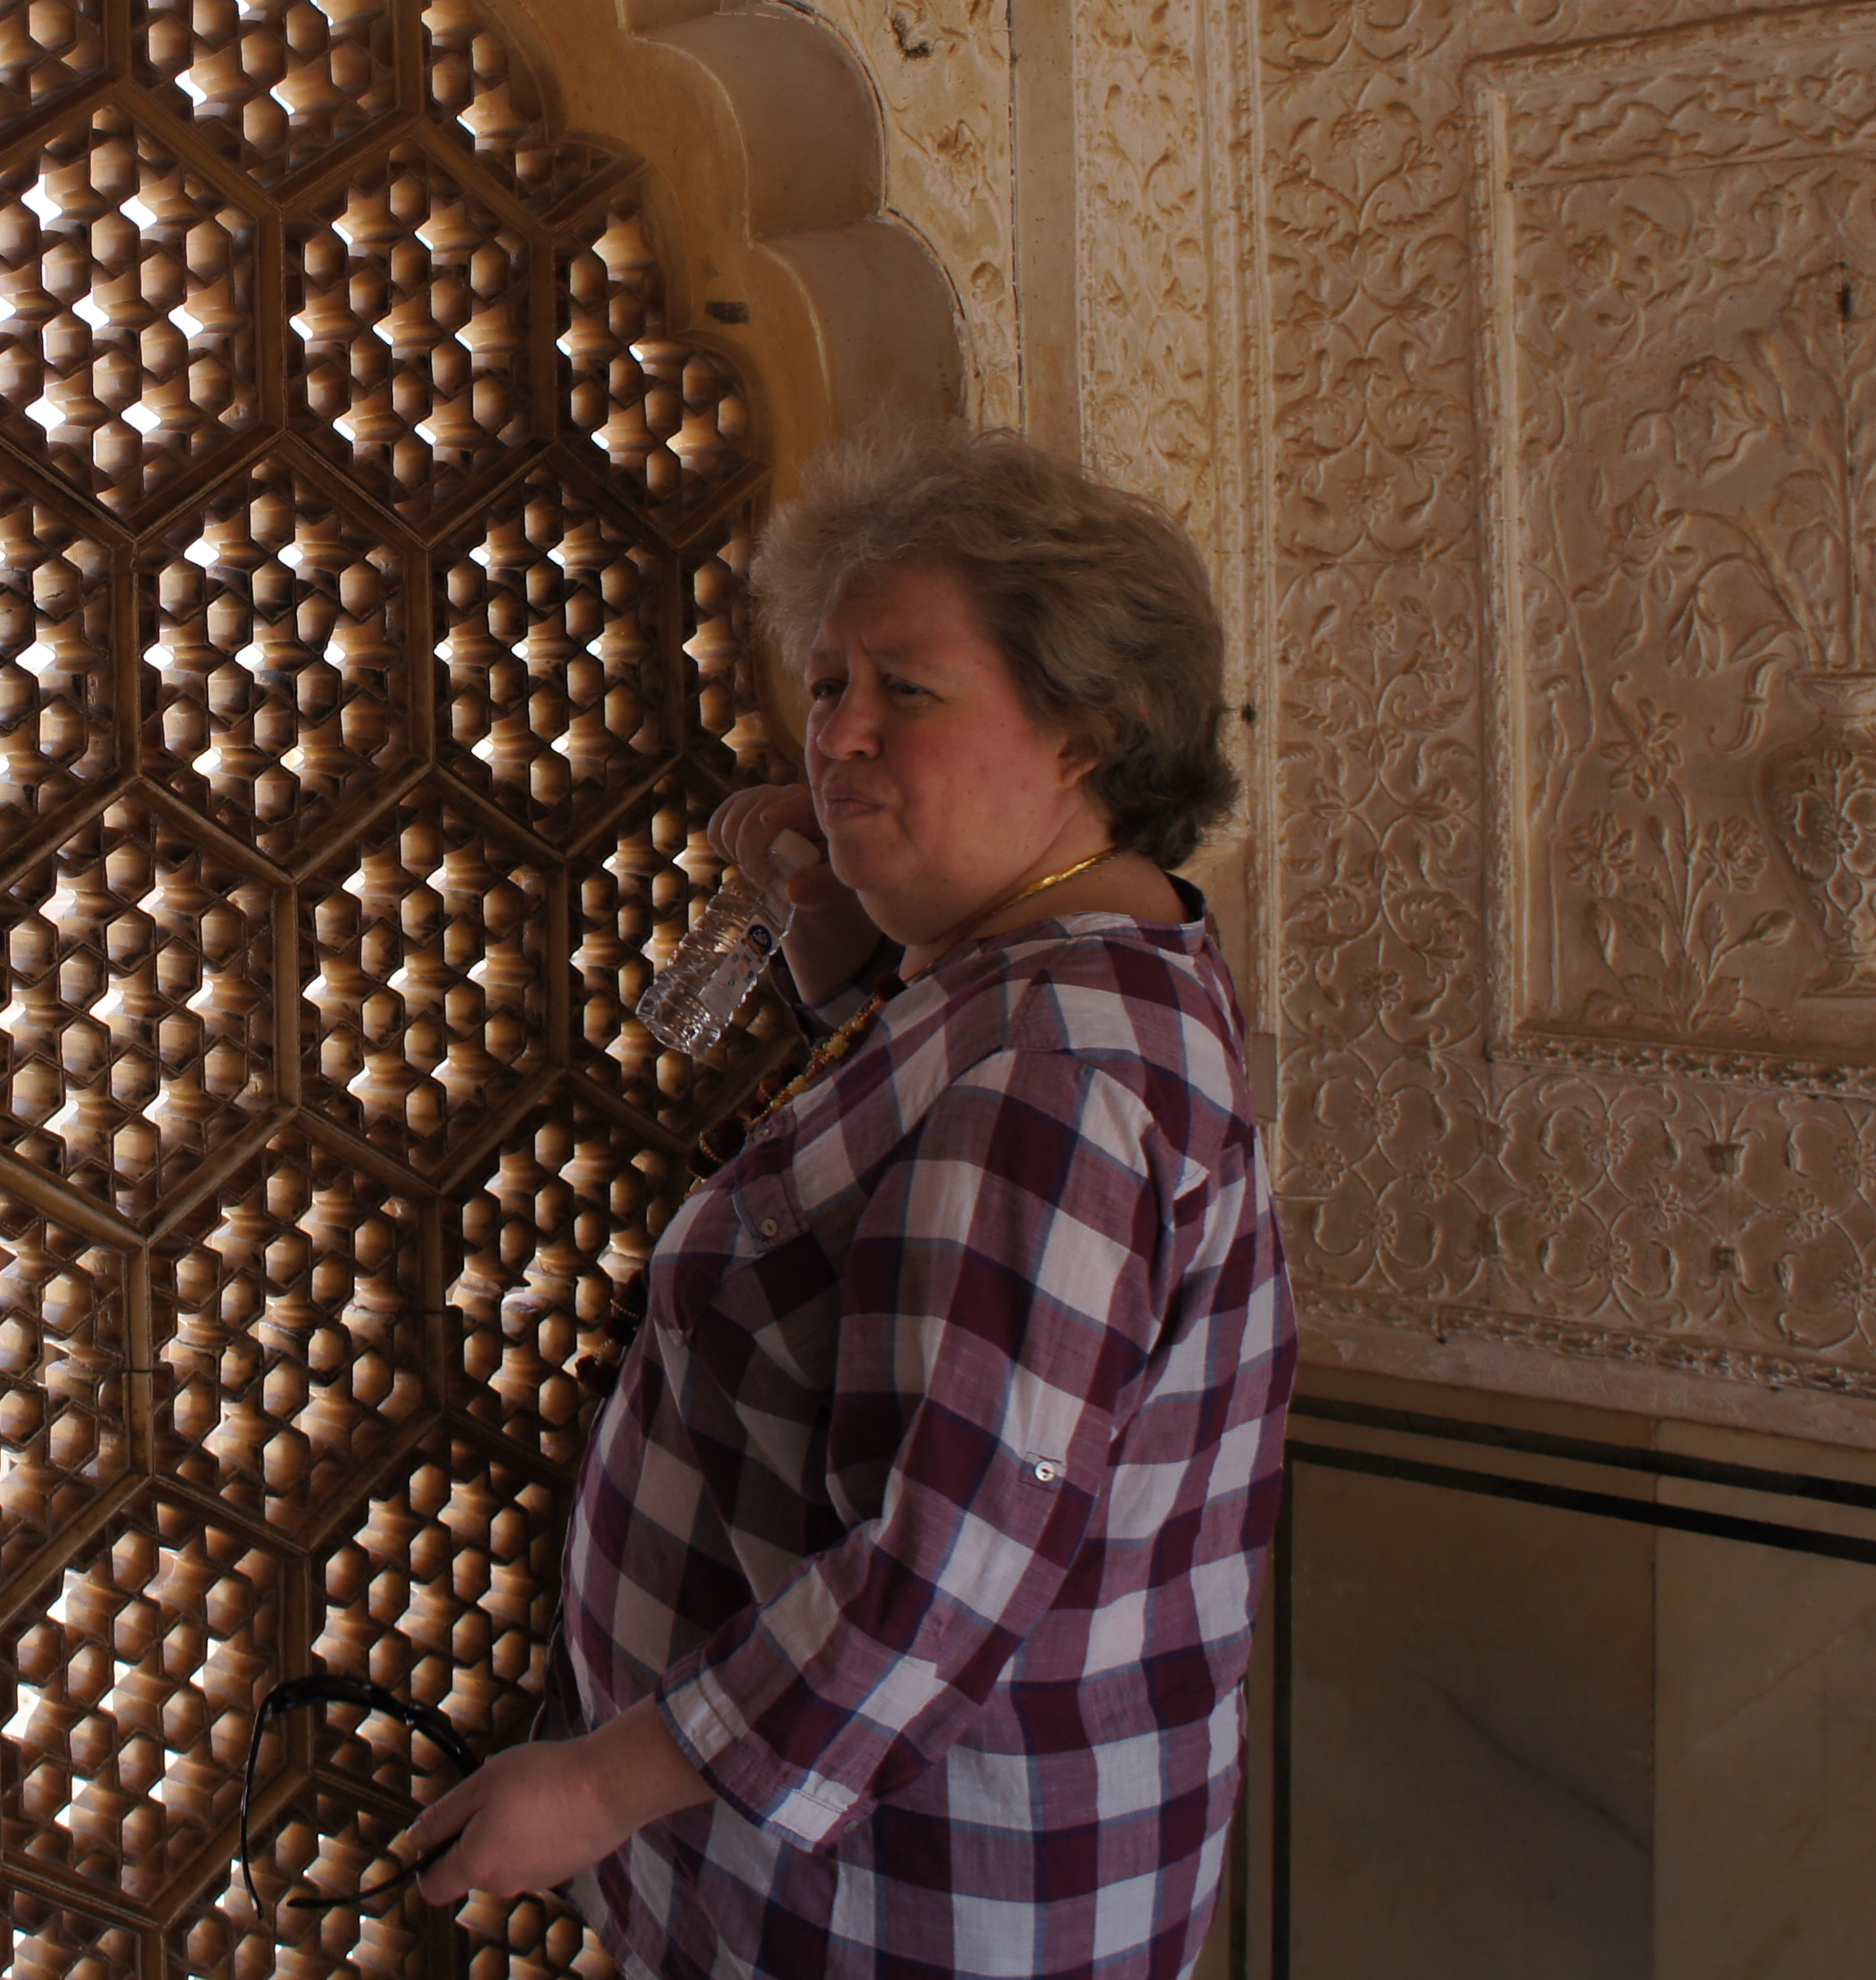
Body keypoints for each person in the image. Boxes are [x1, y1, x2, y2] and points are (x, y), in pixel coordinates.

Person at [400, 420, 1294, 1979]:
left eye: (908, 691)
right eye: (827, 687)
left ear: (1087, 731)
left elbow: (944, 1568)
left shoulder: (1056, 1076)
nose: (840, 737)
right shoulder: (1060, 969)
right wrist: (839, 953)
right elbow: (910, 1224)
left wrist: (598, 1788)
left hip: (914, 1905)